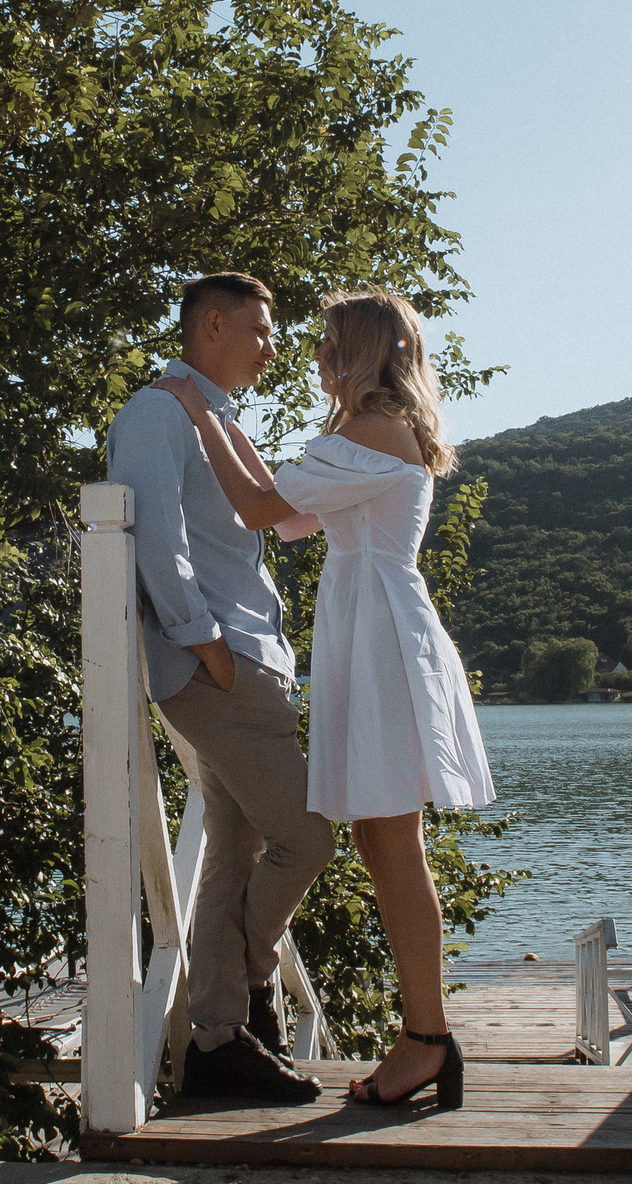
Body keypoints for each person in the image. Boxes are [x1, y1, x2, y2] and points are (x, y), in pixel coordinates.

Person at [152, 289, 492, 1110]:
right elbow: (287, 505)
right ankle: (425, 1035)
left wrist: (200, 413)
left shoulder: (371, 431)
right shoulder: (369, 436)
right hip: (370, 632)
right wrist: (221, 422)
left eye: (328, 341)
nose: (313, 355)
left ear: (362, 350)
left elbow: (262, 508)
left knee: (393, 847)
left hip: (379, 640)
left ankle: (428, 1039)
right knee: (383, 846)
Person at [106, 273, 331, 1106]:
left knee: (231, 857)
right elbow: (156, 536)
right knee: (308, 839)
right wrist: (206, 644)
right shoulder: (158, 412)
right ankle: (252, 994)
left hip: (249, 659)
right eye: (260, 329)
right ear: (211, 324)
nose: (273, 346)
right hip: (221, 664)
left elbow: (281, 519)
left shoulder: (219, 421)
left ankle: (217, 1042)